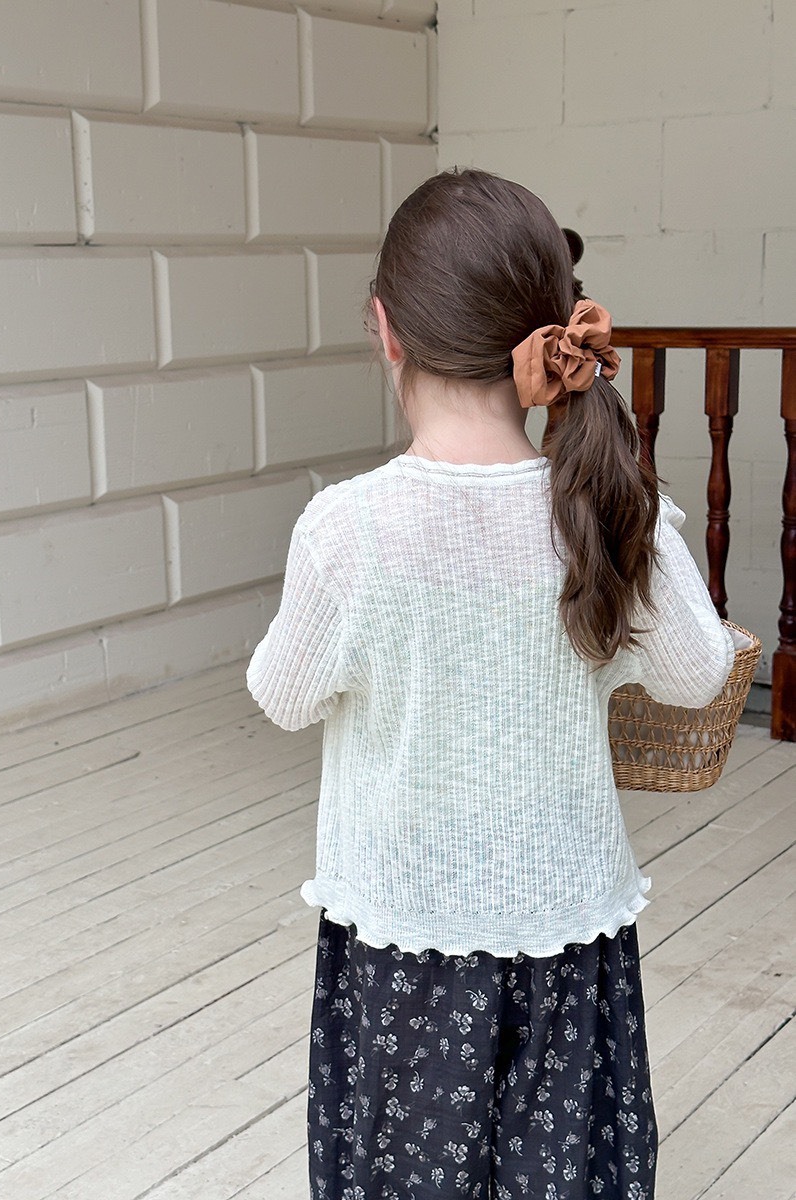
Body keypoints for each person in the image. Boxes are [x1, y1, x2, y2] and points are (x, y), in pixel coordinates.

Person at [246, 169, 734, 1200]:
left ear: (387, 332)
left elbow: (283, 695)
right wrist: (643, 513)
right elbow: (698, 674)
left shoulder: (349, 529)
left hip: (404, 945)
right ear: (554, 340)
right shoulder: (602, 510)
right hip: (567, 933)